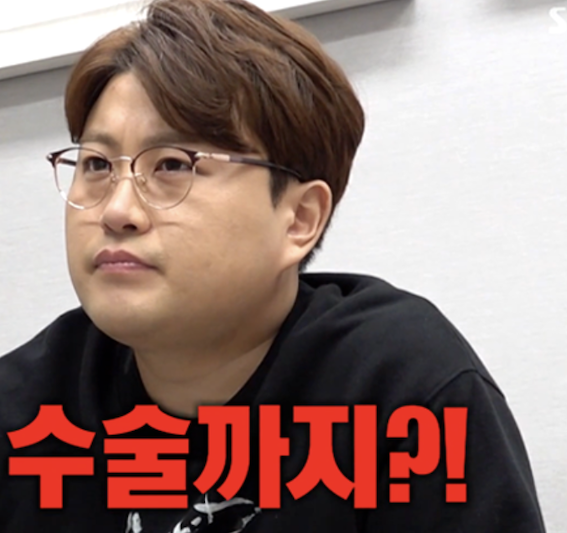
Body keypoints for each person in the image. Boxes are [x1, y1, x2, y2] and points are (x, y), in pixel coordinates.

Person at [0, 0, 547, 531]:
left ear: (299, 219)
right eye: (97, 164)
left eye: (172, 165)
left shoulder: (403, 397)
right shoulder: (26, 412)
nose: (117, 211)